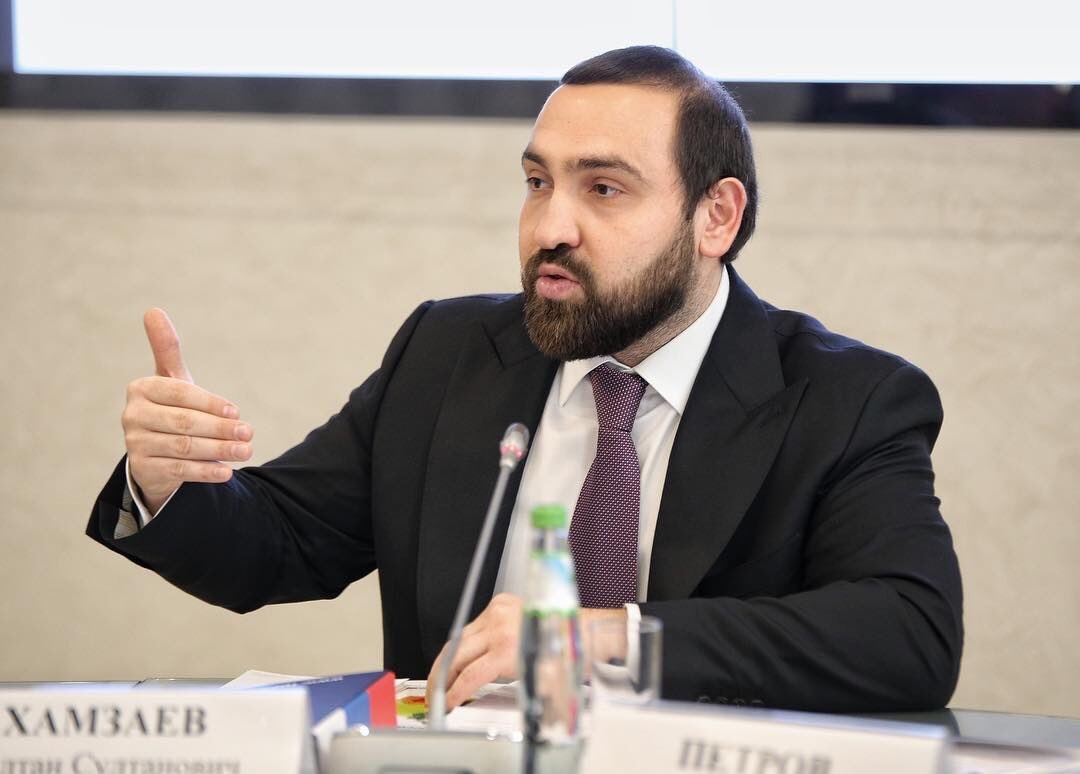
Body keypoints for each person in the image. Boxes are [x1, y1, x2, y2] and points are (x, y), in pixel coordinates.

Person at [87, 46, 963, 714]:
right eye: (538, 182)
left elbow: (908, 633)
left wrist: (596, 638)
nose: (551, 227)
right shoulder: (447, 353)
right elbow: (278, 545)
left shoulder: (847, 400)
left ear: (716, 217)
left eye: (604, 189)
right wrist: (169, 482)